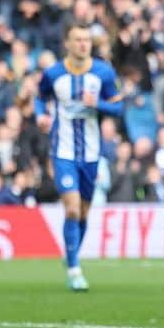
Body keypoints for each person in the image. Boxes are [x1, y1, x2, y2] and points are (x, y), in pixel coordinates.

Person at [35, 23, 124, 292]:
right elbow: (40, 98)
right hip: (63, 151)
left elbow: (119, 107)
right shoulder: (53, 73)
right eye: (78, 39)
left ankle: (71, 255)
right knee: (72, 208)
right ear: (68, 43)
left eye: (87, 39)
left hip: (91, 153)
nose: (84, 44)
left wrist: (98, 105)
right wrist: (41, 115)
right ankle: (74, 269)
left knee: (83, 212)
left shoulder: (103, 72)